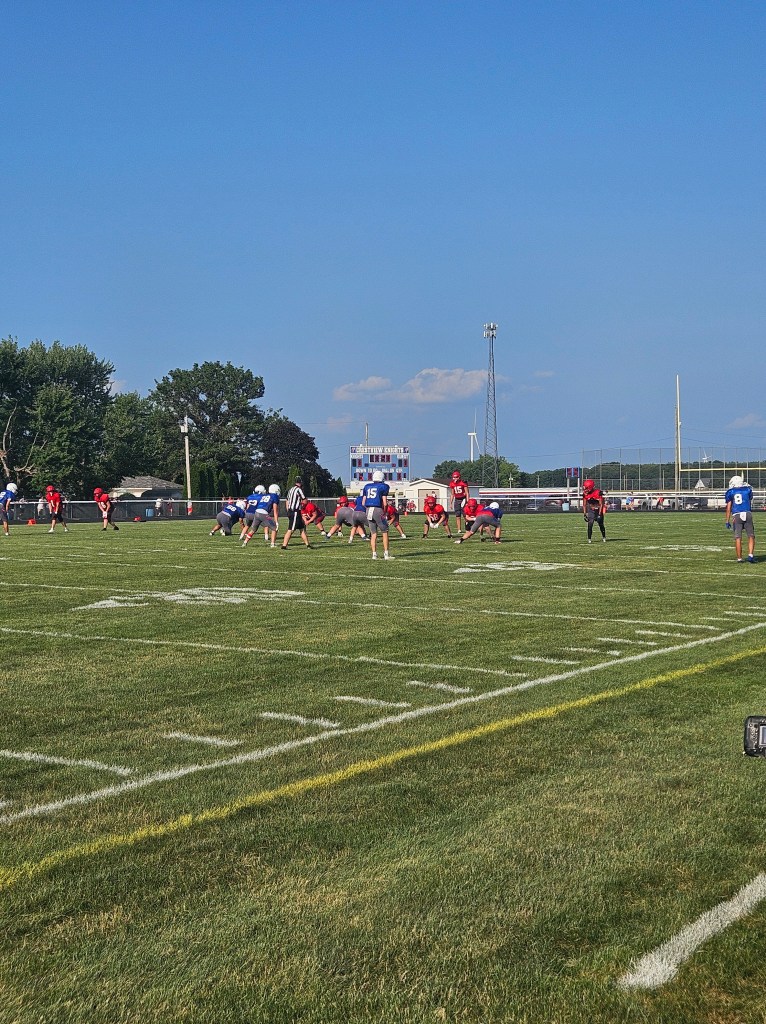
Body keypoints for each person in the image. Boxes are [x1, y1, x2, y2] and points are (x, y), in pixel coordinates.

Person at [362, 470, 394, 560]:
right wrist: (385, 512)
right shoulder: (383, 487)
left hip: (368, 510)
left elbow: (363, 502)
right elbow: (385, 503)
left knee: (373, 533)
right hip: (378, 510)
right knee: (385, 531)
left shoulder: (367, 486)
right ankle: (386, 554)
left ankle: (374, 555)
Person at [724, 474, 755, 563]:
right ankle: (750, 555)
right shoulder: (747, 490)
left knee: (738, 537)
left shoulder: (731, 492)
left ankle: (739, 558)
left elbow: (729, 508)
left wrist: (727, 520)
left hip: (737, 515)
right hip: (747, 513)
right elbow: (748, 501)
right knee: (751, 536)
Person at [281, 478, 311, 550]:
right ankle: (284, 545)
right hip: (295, 511)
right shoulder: (298, 489)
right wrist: (303, 504)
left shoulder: (291, 489)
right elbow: (304, 500)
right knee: (291, 529)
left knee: (302, 529)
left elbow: (287, 500)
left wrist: (288, 510)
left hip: (292, 511)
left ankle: (308, 545)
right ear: (300, 483)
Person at [582, 478, 606, 543]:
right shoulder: (585, 494)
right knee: (590, 524)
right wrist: (584, 514)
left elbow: (601, 504)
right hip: (591, 510)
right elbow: (584, 504)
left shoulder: (598, 493)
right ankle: (589, 539)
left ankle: (604, 537)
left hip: (598, 509)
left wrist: (599, 514)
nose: (585, 490)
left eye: (587, 488)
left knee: (601, 524)